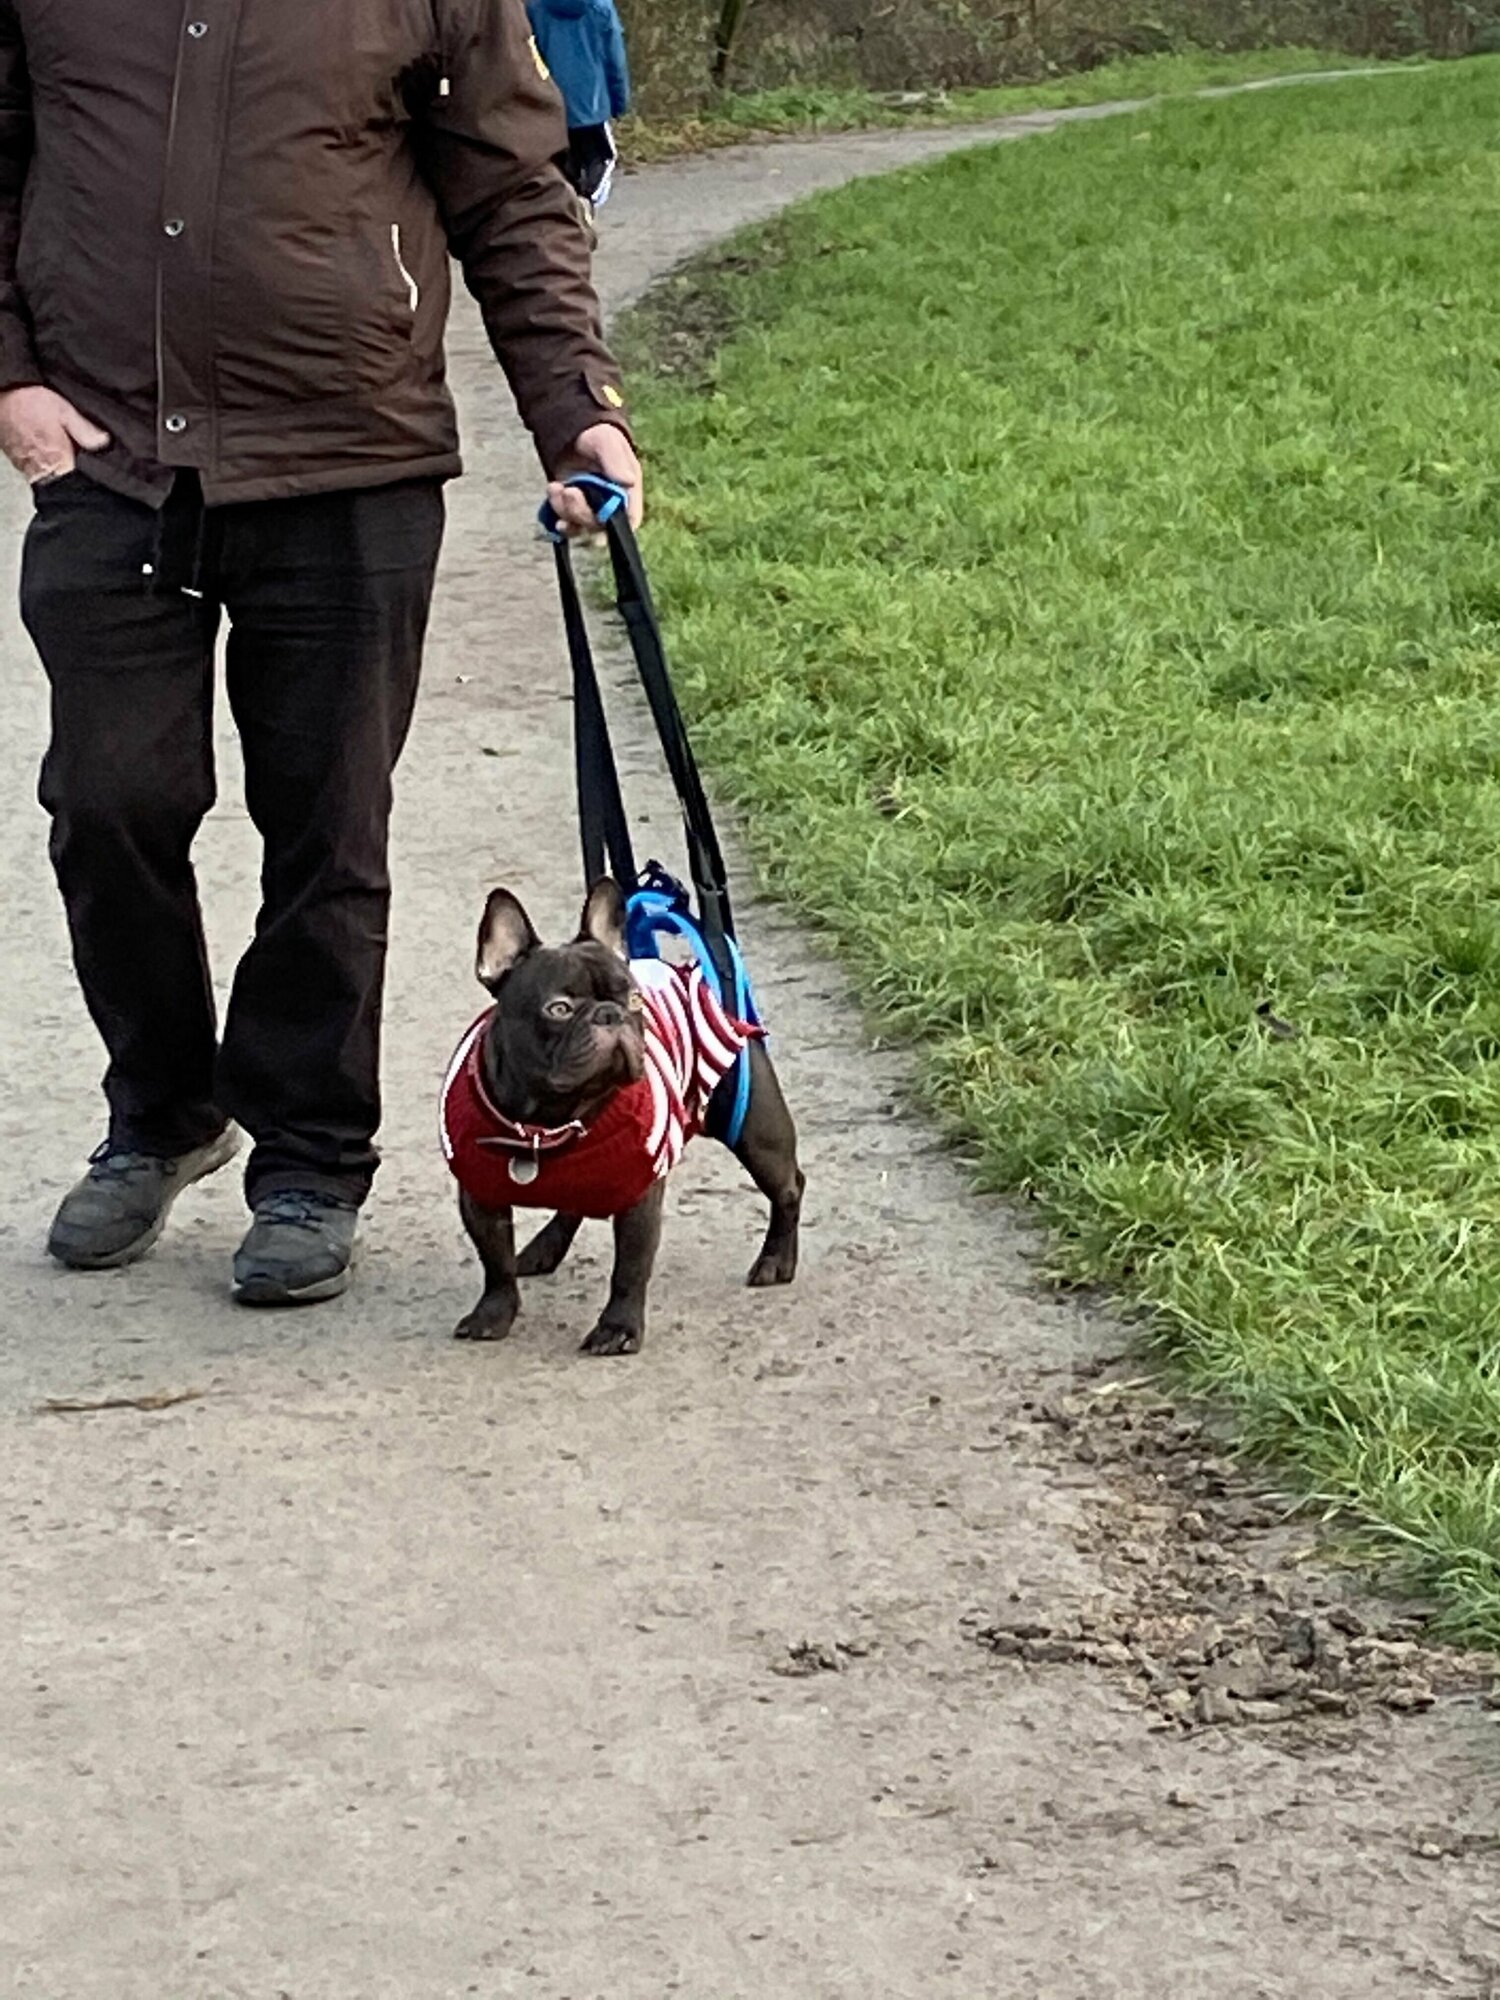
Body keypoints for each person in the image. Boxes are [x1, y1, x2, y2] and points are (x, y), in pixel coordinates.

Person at [0, 0, 643, 1307]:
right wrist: (11, 368)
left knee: (327, 827)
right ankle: (167, 1113)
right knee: (106, 805)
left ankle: (310, 1158)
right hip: (107, 461)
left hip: (353, 461)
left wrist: (575, 411)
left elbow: (513, 193)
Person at [527, 0, 632, 209]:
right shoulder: (600, 7)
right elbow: (614, 58)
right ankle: (585, 209)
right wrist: (619, 101)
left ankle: (566, 212)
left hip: (552, 103)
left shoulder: (533, 7)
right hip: (592, 104)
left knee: (564, 167)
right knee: (603, 160)